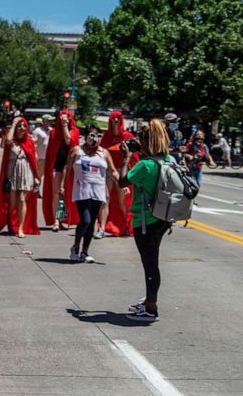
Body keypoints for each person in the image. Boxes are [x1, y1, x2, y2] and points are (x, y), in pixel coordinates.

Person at [118, 119, 173, 322]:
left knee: (150, 264)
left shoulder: (145, 165)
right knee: (153, 261)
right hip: (163, 217)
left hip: (145, 221)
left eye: (141, 138)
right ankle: (149, 300)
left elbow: (122, 181)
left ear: (148, 141)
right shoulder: (169, 160)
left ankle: (151, 308)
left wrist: (126, 158)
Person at [66, 130, 118, 263]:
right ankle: (75, 247)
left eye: (99, 136)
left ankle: (85, 251)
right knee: (86, 220)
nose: (96, 138)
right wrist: (63, 187)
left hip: (98, 191)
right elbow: (68, 169)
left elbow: (112, 171)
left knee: (92, 223)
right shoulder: (77, 150)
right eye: (92, 135)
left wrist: (122, 184)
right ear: (86, 137)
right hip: (81, 190)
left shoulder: (104, 153)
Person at [0, 116, 40, 237]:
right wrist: (15, 122)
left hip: (27, 172)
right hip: (13, 173)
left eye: (24, 126)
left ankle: (20, 228)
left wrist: (36, 176)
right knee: (12, 203)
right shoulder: (12, 141)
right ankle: (11, 223)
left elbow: (33, 160)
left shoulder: (30, 141)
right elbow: (8, 140)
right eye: (20, 126)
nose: (22, 128)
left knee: (22, 200)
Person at [98, 111, 138, 238]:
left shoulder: (127, 136)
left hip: (121, 171)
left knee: (122, 201)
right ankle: (102, 228)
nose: (116, 120)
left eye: (118, 118)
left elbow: (134, 155)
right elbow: (100, 153)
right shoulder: (106, 137)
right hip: (108, 171)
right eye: (113, 118)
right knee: (105, 198)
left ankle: (126, 226)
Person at [42, 110, 80, 232]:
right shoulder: (53, 133)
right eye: (62, 118)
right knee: (56, 193)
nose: (64, 120)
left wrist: (64, 126)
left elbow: (69, 140)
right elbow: (51, 153)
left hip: (68, 166)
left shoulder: (75, 131)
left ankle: (62, 218)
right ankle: (56, 221)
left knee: (64, 194)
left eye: (67, 118)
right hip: (56, 165)